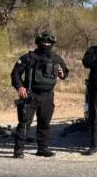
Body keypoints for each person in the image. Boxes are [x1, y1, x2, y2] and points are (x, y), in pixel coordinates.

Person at [10, 30, 69, 158]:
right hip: (30, 95)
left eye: (49, 42)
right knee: (24, 123)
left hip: (47, 96)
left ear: (52, 43)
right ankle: (19, 150)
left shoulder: (56, 58)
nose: (46, 44)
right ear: (38, 42)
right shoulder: (28, 57)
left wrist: (61, 73)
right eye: (44, 41)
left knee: (44, 123)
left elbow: (65, 74)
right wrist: (20, 87)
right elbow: (15, 73)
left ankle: (42, 148)